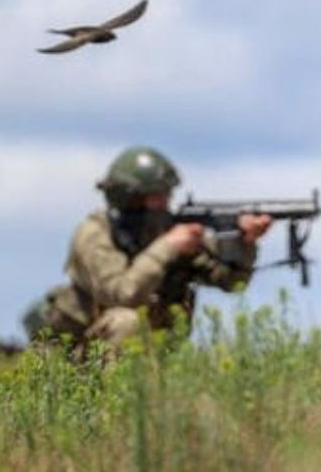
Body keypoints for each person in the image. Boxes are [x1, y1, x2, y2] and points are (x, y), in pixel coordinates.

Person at [23, 146, 272, 351]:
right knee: (126, 322)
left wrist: (245, 244)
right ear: (130, 198)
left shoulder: (164, 231)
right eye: (158, 196)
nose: (166, 204)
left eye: (167, 195)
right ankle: (114, 412)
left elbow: (230, 282)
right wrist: (168, 247)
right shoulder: (94, 235)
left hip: (147, 356)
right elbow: (121, 294)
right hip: (74, 360)